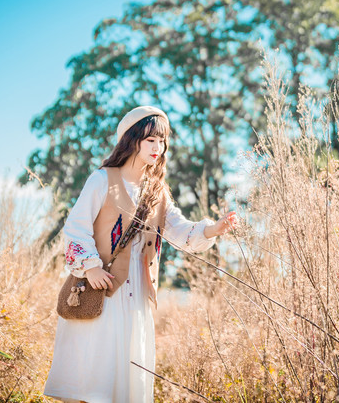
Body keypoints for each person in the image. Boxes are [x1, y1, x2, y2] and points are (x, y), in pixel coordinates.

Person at [43, 106, 238, 403]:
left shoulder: (157, 192)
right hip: (104, 290)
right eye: (150, 140)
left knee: (125, 382)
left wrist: (214, 229)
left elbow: (180, 232)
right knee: (92, 379)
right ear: (132, 140)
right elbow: (75, 229)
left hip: (138, 298)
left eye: (162, 141)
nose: (158, 148)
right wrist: (91, 268)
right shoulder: (102, 180)